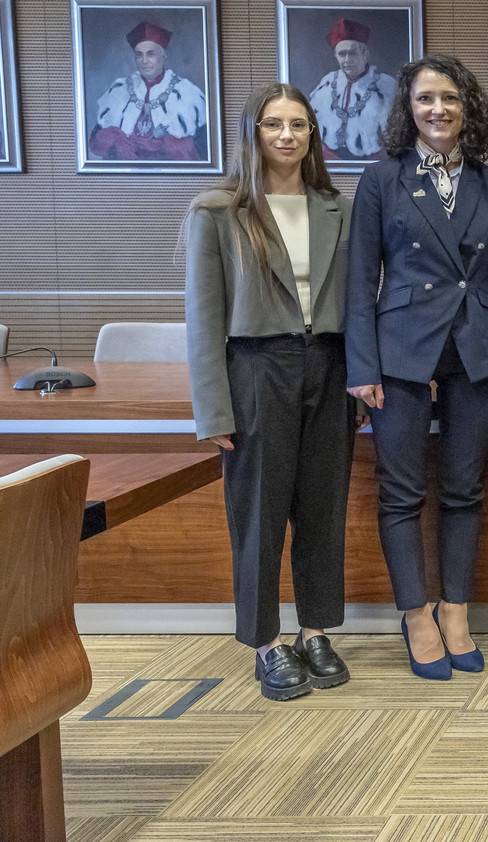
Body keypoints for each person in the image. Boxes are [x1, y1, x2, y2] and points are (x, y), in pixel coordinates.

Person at [345, 54, 488, 680]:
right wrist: (362, 365)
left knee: (464, 489)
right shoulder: (381, 179)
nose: (438, 109)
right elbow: (360, 280)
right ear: (408, 107)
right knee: (401, 491)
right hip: (400, 351)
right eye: (425, 98)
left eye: (450, 98)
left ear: (467, 107)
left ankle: (456, 610)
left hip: (474, 349)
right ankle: (416, 615)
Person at [184, 83, 357, 701]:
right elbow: (203, 319)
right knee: (258, 513)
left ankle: (315, 631)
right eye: (273, 124)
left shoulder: (335, 206)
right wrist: (213, 409)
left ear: (313, 135)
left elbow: (358, 302)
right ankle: (266, 642)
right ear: (252, 133)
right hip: (256, 368)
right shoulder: (217, 212)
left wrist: (361, 379)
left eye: (299, 124)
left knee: (323, 508)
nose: (287, 135)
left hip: (330, 366)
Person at [91, 20, 208, 163]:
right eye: (139, 55)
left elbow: (205, 149)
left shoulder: (186, 92)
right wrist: (115, 140)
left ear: (163, 57)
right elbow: (94, 143)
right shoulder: (120, 89)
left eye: (150, 54)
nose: (144, 61)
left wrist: (170, 143)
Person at [307, 18, 396, 161]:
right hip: (331, 160)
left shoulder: (386, 85)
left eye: (353, 53)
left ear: (365, 55)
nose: (347, 60)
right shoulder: (327, 83)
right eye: (342, 54)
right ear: (336, 56)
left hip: (373, 161)